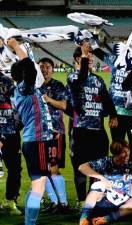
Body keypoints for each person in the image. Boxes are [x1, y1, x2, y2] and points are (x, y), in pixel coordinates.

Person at [65, 41, 118, 208]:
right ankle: (81, 201)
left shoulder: (98, 80)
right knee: (80, 167)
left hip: (98, 131)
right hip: (81, 130)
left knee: (98, 168)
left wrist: (113, 115)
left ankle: (93, 198)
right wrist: (84, 53)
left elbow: (107, 99)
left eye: (91, 57)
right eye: (87, 57)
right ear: (77, 60)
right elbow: (81, 78)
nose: (91, 59)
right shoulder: (72, 77)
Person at [9, 37, 54, 225]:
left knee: (38, 183)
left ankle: (29, 221)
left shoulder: (24, 89)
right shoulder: (24, 88)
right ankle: (30, 223)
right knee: (39, 185)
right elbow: (29, 66)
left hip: (34, 141)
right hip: (37, 141)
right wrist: (15, 46)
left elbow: (29, 67)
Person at [78, 139, 132, 225]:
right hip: (103, 200)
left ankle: (106, 219)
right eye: (123, 156)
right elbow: (82, 167)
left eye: (128, 155)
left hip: (121, 204)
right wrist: (101, 177)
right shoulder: (105, 162)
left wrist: (127, 197)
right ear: (115, 154)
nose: (127, 158)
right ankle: (84, 219)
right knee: (94, 191)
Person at [38, 57, 69, 212]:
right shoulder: (34, 86)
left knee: (54, 168)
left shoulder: (57, 85)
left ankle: (63, 203)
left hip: (55, 132)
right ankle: (54, 202)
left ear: (52, 69)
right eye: (41, 67)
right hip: (38, 133)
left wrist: (48, 99)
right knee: (40, 169)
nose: (44, 69)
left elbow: (63, 105)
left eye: (47, 67)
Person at [0, 38, 23, 216]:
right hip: (7, 132)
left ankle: (10, 201)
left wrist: (16, 127)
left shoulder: (7, 82)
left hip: (10, 133)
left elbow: (19, 106)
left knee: (15, 168)